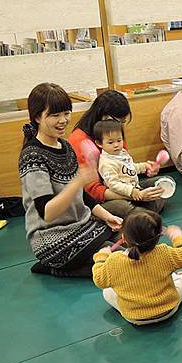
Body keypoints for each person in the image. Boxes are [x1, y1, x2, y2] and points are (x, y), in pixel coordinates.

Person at [19, 83, 123, 277]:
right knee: (121, 262)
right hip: (52, 239)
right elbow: (47, 213)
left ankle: (69, 267)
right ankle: (54, 266)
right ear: (37, 117)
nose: (63, 120)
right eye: (54, 115)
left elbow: (81, 195)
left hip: (81, 226)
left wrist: (106, 215)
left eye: (66, 113)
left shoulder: (65, 147)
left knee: (130, 236)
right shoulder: (32, 155)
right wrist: (76, 181)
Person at [69, 89, 164, 217]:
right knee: (124, 207)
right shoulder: (79, 141)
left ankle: (140, 213)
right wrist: (134, 195)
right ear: (101, 114)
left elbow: (124, 166)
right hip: (102, 198)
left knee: (163, 184)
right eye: (116, 121)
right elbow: (93, 191)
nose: (119, 126)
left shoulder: (114, 131)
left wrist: (145, 168)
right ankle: (140, 214)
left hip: (126, 186)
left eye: (122, 122)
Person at [93, 210, 182, 325]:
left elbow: (99, 280)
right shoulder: (165, 253)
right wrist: (178, 237)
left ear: (123, 237)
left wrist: (101, 257)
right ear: (157, 237)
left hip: (134, 317)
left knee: (107, 292)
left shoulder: (114, 261)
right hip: (168, 309)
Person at [94, 120, 170, 214]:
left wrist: (144, 166)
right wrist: (132, 192)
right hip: (121, 196)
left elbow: (130, 167)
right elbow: (114, 185)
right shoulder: (106, 163)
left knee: (164, 183)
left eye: (119, 140)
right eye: (110, 142)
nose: (116, 145)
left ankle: (145, 211)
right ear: (99, 143)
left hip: (136, 188)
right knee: (123, 207)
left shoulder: (121, 153)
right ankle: (143, 213)